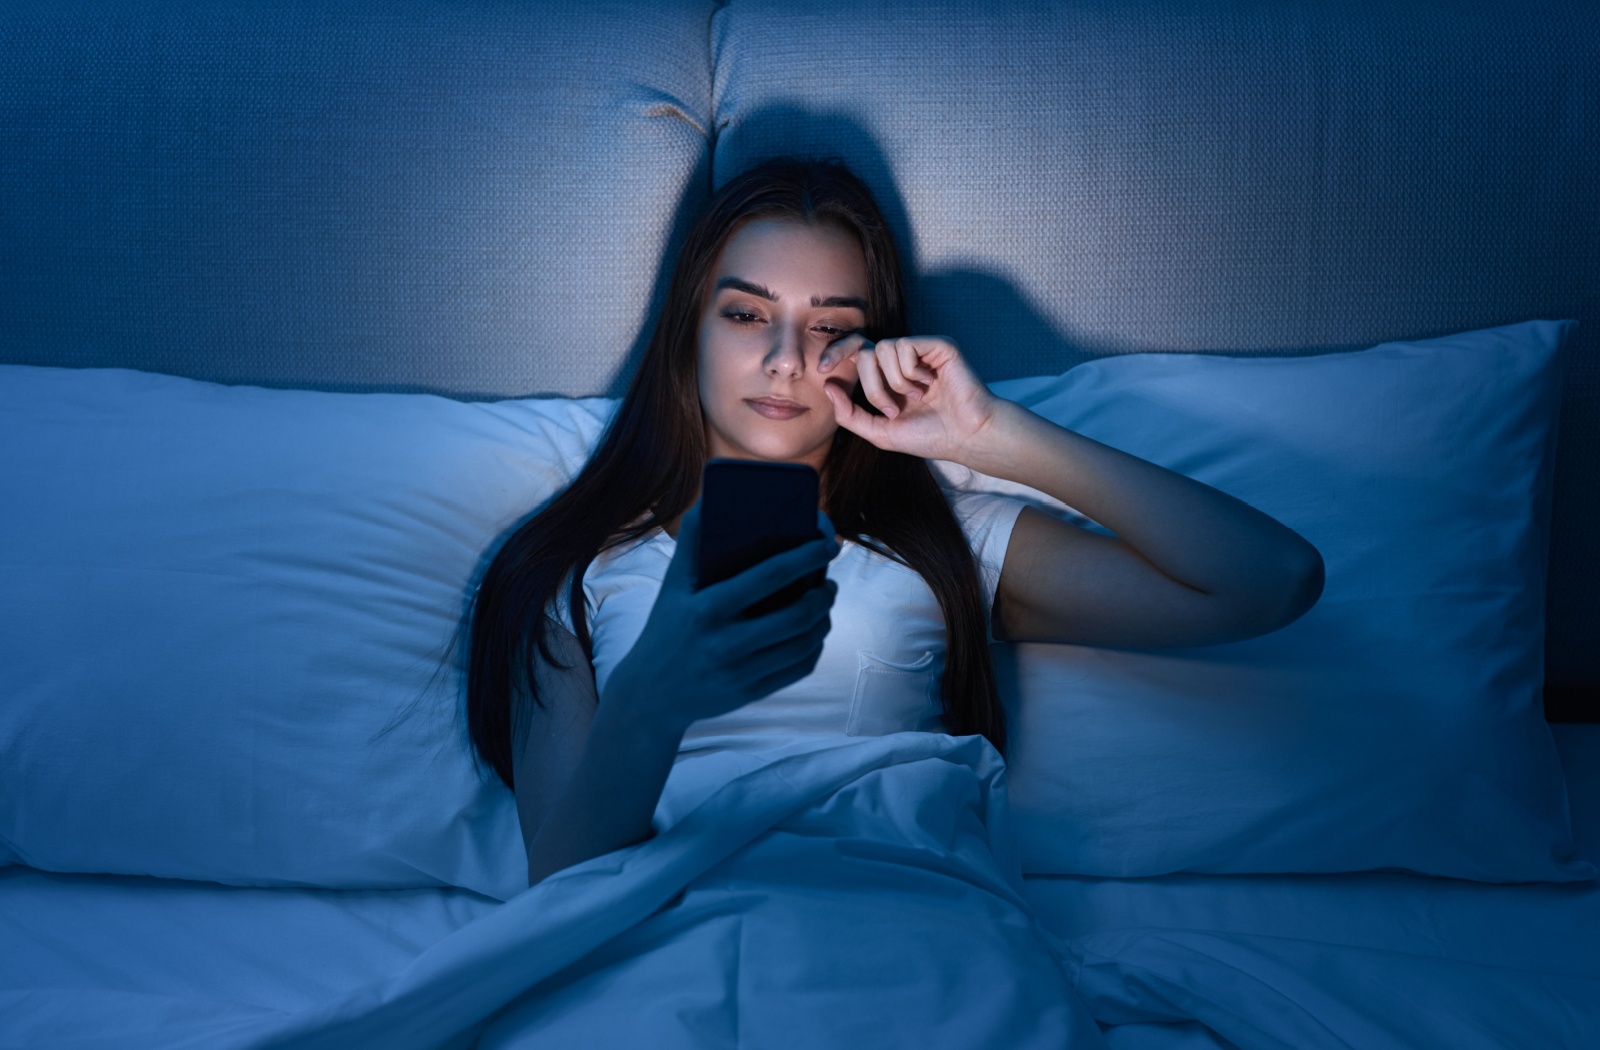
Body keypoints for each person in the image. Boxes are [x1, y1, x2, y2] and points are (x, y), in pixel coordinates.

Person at [464, 156, 1325, 888]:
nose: (784, 360)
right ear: (687, 329)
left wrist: (993, 436)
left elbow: (1269, 580)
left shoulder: (944, 544)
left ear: (870, 348)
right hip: (666, 943)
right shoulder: (569, 568)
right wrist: (653, 698)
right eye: (745, 315)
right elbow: (562, 881)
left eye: (830, 327)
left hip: (896, 927)